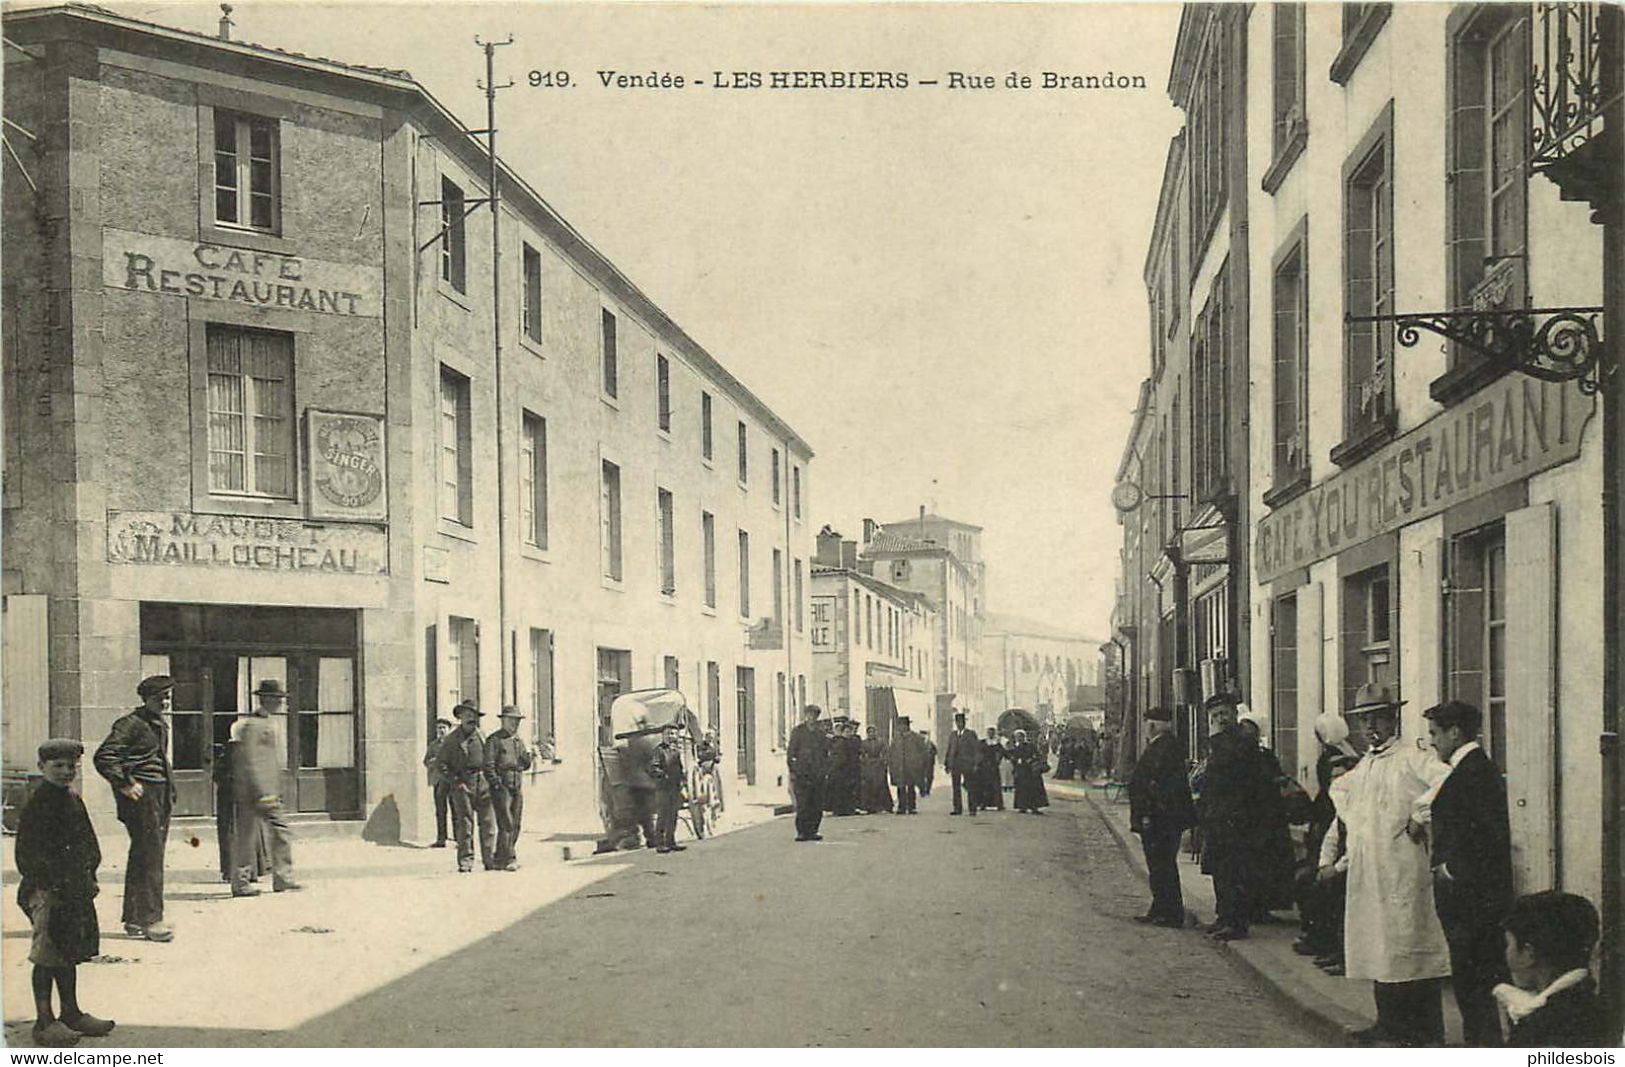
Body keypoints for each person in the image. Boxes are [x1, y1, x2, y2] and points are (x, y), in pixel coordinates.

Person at [1332, 683, 1452, 1047]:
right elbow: (1346, 796)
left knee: (1409, 947)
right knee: (1377, 946)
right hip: (1372, 872)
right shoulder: (1368, 762)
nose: (1372, 727)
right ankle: (1387, 1023)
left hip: (1404, 870)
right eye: (1365, 720)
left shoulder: (1411, 757)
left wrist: (1420, 815)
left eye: (1378, 719)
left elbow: (1447, 782)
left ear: (1392, 719)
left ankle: (1424, 1032)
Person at [1424, 700, 1514, 1047]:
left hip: (1474, 902)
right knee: (1475, 984)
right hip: (1471, 900)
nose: (1432, 742)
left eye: (1435, 733)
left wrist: (1451, 869)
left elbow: (1488, 836)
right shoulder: (1471, 770)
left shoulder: (1473, 772)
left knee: (1476, 984)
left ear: (1454, 732)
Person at [17, 740, 117, 1047]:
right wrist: (49, 883)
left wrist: (89, 875)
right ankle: (44, 1022)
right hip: (48, 890)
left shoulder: (72, 799)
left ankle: (71, 1012)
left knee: (68, 950)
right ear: (41, 768)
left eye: (71, 766)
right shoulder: (39, 803)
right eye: (57, 766)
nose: (65, 772)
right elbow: (27, 855)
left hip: (75, 889)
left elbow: (88, 842)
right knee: (48, 955)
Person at [93, 675, 177, 942]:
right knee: (150, 858)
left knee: (145, 856)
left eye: (167, 698)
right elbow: (104, 756)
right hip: (142, 798)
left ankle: (134, 919)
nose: (164, 702)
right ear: (145, 699)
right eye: (159, 698)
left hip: (159, 795)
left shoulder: (157, 724)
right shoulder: (130, 724)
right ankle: (152, 920)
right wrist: (126, 784)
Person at [1493, 891, 1606, 1047]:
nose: (1506, 955)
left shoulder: (1544, 1027)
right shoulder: (1594, 1009)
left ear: (1529, 953)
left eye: (1508, 944)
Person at [1196, 693, 1263, 941]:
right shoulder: (1219, 742)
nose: (1221, 719)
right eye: (1215, 715)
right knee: (1220, 871)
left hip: (1237, 820)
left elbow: (1234, 774)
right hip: (1218, 818)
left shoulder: (1242, 741)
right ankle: (1224, 916)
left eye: (1224, 713)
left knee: (1235, 872)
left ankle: (1236, 922)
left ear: (1235, 714)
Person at [229, 679, 299, 896]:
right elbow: (251, 759)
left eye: (281, 699)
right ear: (266, 699)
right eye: (277, 699)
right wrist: (263, 791)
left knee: (253, 835)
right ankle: (272, 879)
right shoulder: (254, 725)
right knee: (265, 834)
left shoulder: (267, 723)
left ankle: (262, 880)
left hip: (264, 790)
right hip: (258, 792)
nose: (280, 703)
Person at [1128, 706, 1194, 928]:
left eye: (1148, 724)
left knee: (1162, 865)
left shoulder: (1164, 748)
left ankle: (1170, 912)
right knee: (1158, 866)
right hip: (1160, 818)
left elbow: (1155, 785)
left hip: (1160, 819)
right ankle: (1160, 908)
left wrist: (1147, 813)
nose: (1146, 728)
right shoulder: (1163, 746)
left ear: (1153, 725)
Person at [1237, 707, 1296, 919]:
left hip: (1269, 816)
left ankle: (1263, 906)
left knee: (1268, 864)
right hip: (1248, 817)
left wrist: (1277, 781)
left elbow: (1274, 774)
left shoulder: (1265, 755)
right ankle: (1250, 907)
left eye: (1250, 730)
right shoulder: (1237, 756)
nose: (1246, 734)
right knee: (1249, 864)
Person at [1306, 753, 1360, 976]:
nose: (1337, 783)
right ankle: (1328, 947)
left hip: (1355, 868)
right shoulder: (1340, 809)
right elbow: (1331, 838)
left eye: (1341, 776)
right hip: (1339, 867)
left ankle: (1346, 956)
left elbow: (1356, 845)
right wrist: (1324, 865)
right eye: (1333, 778)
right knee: (1315, 886)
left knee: (1340, 897)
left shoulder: (1358, 808)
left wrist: (1335, 869)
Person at [437, 701, 499, 871]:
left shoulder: (483, 737)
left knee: (488, 824)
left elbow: (492, 759)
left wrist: (492, 780)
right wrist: (456, 782)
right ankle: (466, 860)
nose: (471, 719)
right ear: (460, 717)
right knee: (465, 825)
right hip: (463, 783)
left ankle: (489, 859)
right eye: (467, 715)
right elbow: (442, 765)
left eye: (473, 716)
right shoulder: (451, 740)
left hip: (483, 782)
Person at [487, 706, 533, 871]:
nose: (515, 724)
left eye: (517, 721)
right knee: (506, 822)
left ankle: (499, 857)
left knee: (516, 823)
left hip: (516, 784)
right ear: (503, 721)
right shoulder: (494, 740)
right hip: (502, 786)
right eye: (512, 720)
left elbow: (525, 765)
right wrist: (496, 783)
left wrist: (529, 757)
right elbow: (489, 764)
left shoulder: (518, 741)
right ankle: (510, 858)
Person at [787, 704, 830, 841]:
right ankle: (802, 832)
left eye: (814, 715)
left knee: (816, 804)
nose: (811, 718)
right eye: (809, 714)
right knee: (803, 804)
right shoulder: (798, 731)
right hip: (802, 774)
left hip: (817, 774)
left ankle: (813, 831)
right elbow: (791, 752)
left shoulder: (820, 733)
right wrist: (794, 770)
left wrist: (825, 769)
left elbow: (826, 753)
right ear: (805, 716)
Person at [649, 725, 687, 853]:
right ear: (663, 736)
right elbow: (653, 768)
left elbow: (679, 768)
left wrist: (682, 780)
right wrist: (663, 775)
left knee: (673, 815)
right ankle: (660, 843)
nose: (671, 736)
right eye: (669, 733)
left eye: (673, 734)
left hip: (674, 787)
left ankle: (671, 841)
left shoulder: (675, 751)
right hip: (663, 788)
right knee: (663, 815)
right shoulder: (659, 751)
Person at [423, 718, 453, 847]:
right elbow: (426, 760)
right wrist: (433, 761)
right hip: (438, 781)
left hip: (451, 780)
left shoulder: (453, 744)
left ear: (448, 730)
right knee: (440, 810)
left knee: (456, 809)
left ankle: (458, 838)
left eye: (444, 728)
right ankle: (441, 838)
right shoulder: (433, 745)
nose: (441, 730)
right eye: (439, 728)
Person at [944, 712, 980, 815]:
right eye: (958, 722)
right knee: (956, 787)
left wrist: (976, 764)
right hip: (955, 765)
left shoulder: (970, 734)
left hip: (968, 764)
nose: (960, 724)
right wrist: (947, 764)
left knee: (970, 787)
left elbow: (976, 750)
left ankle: (972, 809)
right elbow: (949, 750)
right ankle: (957, 808)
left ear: (964, 723)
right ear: (955, 723)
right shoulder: (953, 735)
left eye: (961, 722)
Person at [825, 719, 861, 816]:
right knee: (839, 790)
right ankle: (840, 809)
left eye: (850, 732)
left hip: (848, 769)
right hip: (840, 769)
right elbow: (838, 757)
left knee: (847, 790)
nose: (848, 733)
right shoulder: (839, 742)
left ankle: (847, 808)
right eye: (846, 732)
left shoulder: (851, 741)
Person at [1009, 729, 1049, 813]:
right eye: (1017, 737)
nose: (1019, 739)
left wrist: (1031, 759)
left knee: (1032, 789)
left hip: (1030, 771)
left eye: (1020, 737)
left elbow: (1038, 755)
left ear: (1024, 737)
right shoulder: (1015, 747)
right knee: (1021, 789)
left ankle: (1034, 807)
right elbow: (1012, 758)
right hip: (1020, 770)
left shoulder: (1030, 746)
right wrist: (1014, 760)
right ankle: (1022, 806)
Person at [888, 717, 921, 814]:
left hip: (911, 766)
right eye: (899, 726)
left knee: (911, 787)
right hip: (899, 766)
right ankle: (901, 807)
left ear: (907, 726)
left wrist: (918, 763)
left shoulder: (915, 737)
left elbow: (921, 752)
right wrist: (892, 764)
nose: (900, 728)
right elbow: (892, 752)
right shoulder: (896, 738)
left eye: (902, 725)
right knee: (900, 787)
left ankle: (912, 807)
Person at [858, 724, 893, 814]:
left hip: (879, 766)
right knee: (869, 787)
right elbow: (861, 754)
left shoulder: (880, 742)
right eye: (869, 732)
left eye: (873, 732)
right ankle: (870, 806)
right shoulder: (864, 743)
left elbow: (885, 752)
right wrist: (864, 762)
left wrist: (883, 762)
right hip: (868, 766)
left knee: (881, 785)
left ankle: (882, 806)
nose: (871, 734)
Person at [976, 727, 1006, 811]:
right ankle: (983, 803)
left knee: (996, 786)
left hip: (994, 767)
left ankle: (998, 804)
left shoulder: (997, 744)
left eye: (992, 733)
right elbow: (978, 753)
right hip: (984, 767)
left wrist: (999, 759)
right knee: (984, 786)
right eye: (989, 733)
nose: (991, 734)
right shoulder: (982, 743)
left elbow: (1003, 753)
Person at [918, 730, 937, 797]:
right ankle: (922, 790)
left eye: (924, 735)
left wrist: (931, 755)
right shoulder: (918, 744)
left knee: (929, 777)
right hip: (920, 763)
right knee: (920, 777)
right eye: (921, 735)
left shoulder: (930, 743)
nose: (923, 736)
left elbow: (935, 751)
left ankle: (928, 790)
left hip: (929, 763)